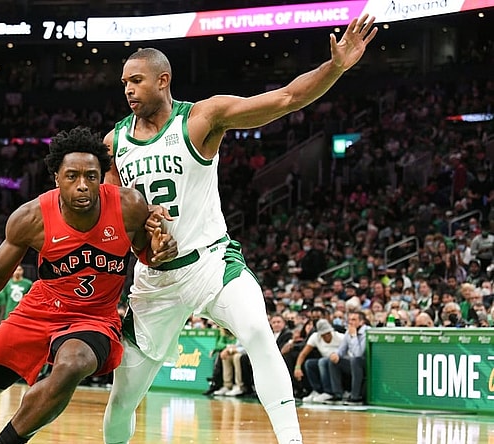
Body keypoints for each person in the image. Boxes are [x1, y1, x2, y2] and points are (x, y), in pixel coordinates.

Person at [101, 15, 378, 444]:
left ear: (163, 80)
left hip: (211, 263)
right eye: (124, 83)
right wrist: (143, 238)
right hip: (155, 279)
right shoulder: (114, 142)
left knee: (258, 332)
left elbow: (286, 98)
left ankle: (292, 440)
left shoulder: (201, 118)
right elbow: (114, 216)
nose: (128, 90)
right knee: (122, 399)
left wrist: (335, 67)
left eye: (136, 81)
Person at [0, 126, 177, 444]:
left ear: (101, 177)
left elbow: (145, 252)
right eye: (72, 176)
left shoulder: (128, 206)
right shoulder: (31, 218)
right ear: (56, 178)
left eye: (91, 176)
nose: (82, 185)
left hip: (94, 318)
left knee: (73, 364)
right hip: (38, 311)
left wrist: (159, 251)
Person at [328, 311, 368, 405]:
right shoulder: (349, 331)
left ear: (361, 322)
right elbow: (341, 349)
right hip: (354, 363)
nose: (350, 322)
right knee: (334, 361)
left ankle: (355, 396)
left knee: (355, 361)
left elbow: (358, 354)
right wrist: (336, 354)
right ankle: (338, 394)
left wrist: (353, 336)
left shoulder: (367, 332)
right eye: (349, 320)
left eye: (354, 320)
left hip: (366, 365)